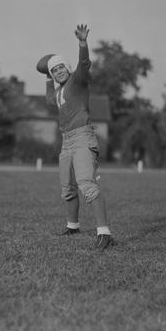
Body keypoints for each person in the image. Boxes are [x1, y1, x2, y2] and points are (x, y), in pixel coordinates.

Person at [44, 24, 114, 250]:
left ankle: (105, 234)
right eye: (55, 71)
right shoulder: (57, 92)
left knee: (86, 184)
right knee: (67, 187)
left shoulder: (77, 80)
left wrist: (83, 44)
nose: (59, 72)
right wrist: (46, 75)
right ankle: (72, 226)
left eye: (60, 68)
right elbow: (48, 99)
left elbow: (84, 66)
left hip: (83, 137)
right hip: (67, 142)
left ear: (67, 67)